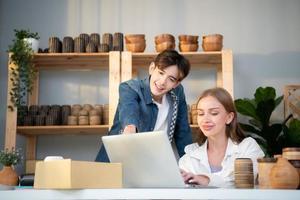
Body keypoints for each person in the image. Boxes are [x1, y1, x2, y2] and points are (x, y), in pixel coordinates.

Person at [95, 50, 193, 162]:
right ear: (152, 68)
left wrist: (191, 164)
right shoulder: (130, 88)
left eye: (171, 79)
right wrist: (130, 128)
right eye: (161, 73)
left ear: (176, 84)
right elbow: (129, 112)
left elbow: (183, 132)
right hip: (116, 161)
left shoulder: (177, 93)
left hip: (151, 163)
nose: (162, 82)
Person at [179, 87, 264, 187]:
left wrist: (206, 180)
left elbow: (237, 183)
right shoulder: (189, 158)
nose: (205, 119)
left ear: (229, 117)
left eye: (214, 113)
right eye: (200, 114)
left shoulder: (248, 147)